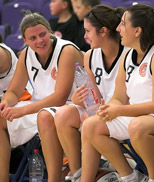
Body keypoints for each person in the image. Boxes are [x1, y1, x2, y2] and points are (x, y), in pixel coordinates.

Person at [81, 3, 154, 182]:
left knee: (138, 127)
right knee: (92, 125)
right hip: (143, 116)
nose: (118, 28)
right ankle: (129, 176)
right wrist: (107, 109)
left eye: (123, 24)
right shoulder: (128, 55)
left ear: (137, 31)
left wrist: (118, 111)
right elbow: (120, 98)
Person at [0, 12, 83, 182]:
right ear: (24, 40)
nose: (39, 41)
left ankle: (53, 179)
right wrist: (5, 104)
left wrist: (22, 111)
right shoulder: (25, 55)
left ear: (50, 31)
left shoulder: (66, 50)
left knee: (44, 117)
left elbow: (60, 97)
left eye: (43, 34)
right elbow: (14, 92)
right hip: (40, 107)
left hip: (70, 106)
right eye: (33, 38)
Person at [53, 4, 127, 182]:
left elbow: (130, 97)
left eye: (88, 31)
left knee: (89, 120)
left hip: (125, 109)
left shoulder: (129, 53)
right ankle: (78, 172)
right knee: (63, 114)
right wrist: (79, 99)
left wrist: (95, 111)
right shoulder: (89, 56)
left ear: (103, 31)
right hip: (103, 109)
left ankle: (97, 172)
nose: (84, 36)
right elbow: (93, 97)